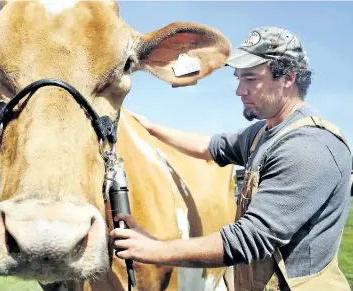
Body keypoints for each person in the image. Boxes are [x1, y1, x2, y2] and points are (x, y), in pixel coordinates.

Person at [109, 26, 351, 290]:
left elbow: (249, 239)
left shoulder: (309, 145)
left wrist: (153, 248)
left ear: (288, 79)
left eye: (251, 79)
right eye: (238, 78)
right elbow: (210, 146)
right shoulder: (262, 134)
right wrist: (148, 127)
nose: (239, 90)